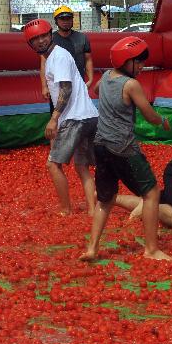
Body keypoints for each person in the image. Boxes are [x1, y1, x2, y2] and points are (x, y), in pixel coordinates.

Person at [80, 36, 172, 261]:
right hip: (123, 148)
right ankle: (151, 249)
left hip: (100, 146)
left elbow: (95, 92)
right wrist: (162, 121)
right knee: (151, 193)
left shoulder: (106, 78)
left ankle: (92, 248)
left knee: (105, 199)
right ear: (125, 61)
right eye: (138, 62)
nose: (141, 67)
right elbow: (148, 115)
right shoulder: (131, 84)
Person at [22, 19, 98, 216]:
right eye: (35, 39)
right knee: (82, 166)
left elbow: (66, 87)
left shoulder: (58, 57)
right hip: (89, 115)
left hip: (75, 118)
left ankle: (65, 210)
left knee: (53, 164)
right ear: (30, 44)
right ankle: (92, 210)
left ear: (51, 35)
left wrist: (54, 118)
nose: (40, 41)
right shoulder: (53, 57)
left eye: (43, 36)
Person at [40, 6, 94, 103]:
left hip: (78, 85)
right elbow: (44, 63)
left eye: (68, 18)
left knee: (79, 115)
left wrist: (90, 79)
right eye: (62, 19)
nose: (66, 21)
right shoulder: (50, 39)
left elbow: (88, 59)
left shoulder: (82, 38)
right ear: (56, 21)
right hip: (57, 87)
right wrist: (44, 86)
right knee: (58, 115)